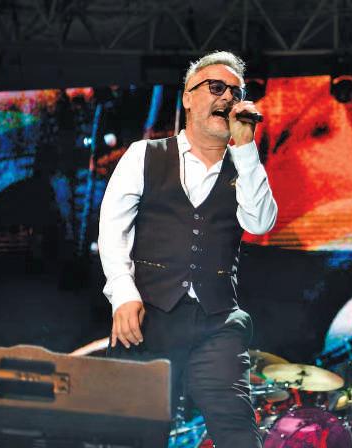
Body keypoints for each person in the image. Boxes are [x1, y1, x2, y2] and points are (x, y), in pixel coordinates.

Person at [97, 50, 277, 447]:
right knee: (134, 436)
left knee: (239, 435)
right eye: (216, 87)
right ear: (188, 97)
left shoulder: (244, 166)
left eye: (236, 92)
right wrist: (123, 294)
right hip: (149, 318)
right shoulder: (144, 155)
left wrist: (246, 150)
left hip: (218, 323)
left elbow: (261, 222)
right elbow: (112, 228)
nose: (227, 97)